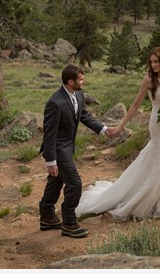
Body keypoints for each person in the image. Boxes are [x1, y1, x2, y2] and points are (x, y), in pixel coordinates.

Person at [75, 46, 160, 222]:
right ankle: (139, 202)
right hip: (157, 125)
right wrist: (121, 126)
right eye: (151, 62)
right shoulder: (149, 80)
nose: (152, 65)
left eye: (156, 61)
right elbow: (135, 105)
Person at [38, 64, 118, 239]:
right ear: (70, 81)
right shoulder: (55, 103)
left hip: (67, 148)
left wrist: (104, 129)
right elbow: (49, 134)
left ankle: (47, 217)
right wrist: (50, 161)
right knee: (75, 184)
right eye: (81, 79)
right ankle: (69, 223)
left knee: (56, 181)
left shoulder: (79, 94)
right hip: (58, 150)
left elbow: (84, 116)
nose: (84, 82)